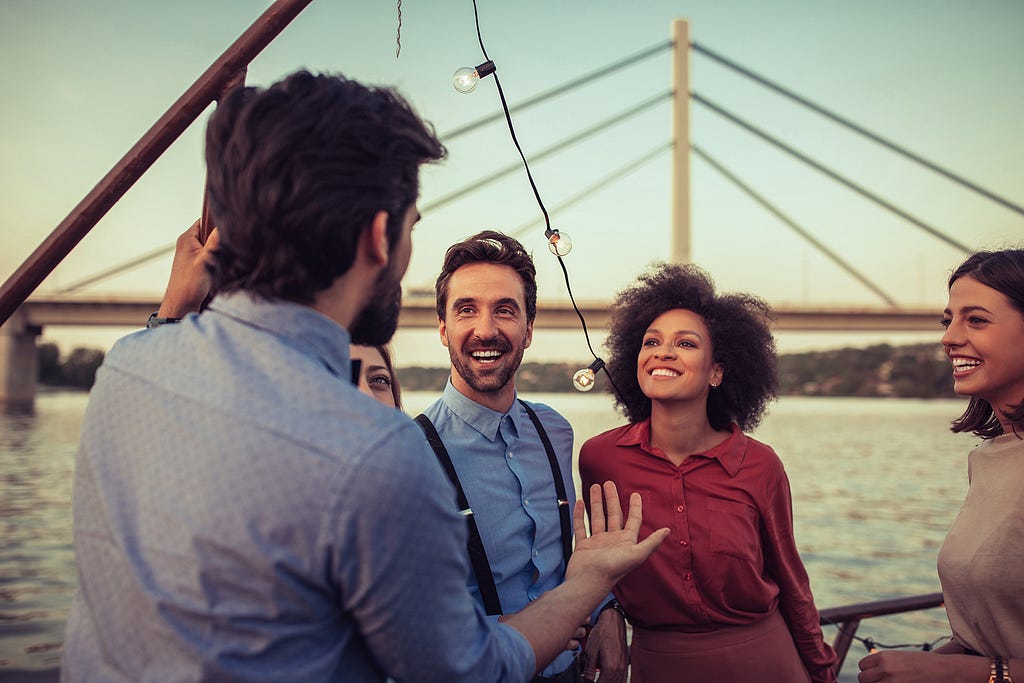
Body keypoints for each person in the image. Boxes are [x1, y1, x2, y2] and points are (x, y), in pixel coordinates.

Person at [60, 70, 668, 682]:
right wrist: (592, 579)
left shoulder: (131, 367)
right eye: (411, 227)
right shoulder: (379, 455)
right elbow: (470, 669)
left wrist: (175, 304)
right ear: (381, 236)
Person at [579, 262, 837, 683]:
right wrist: (606, 610)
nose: (663, 352)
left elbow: (792, 585)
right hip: (658, 667)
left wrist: (823, 675)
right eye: (651, 342)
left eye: (685, 343)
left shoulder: (760, 465)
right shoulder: (600, 459)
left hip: (766, 664)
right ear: (635, 359)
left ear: (717, 371)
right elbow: (596, 561)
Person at [417, 230, 630, 683]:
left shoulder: (555, 430)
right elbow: (404, 616)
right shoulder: (407, 451)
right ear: (442, 328)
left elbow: (572, 552)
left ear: (529, 330)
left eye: (505, 310)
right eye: (466, 309)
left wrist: (607, 608)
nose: (486, 329)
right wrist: (522, 632)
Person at [858, 248, 1024, 683]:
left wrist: (962, 672)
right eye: (947, 320)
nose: (949, 337)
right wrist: (935, 660)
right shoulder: (988, 459)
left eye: (977, 320)